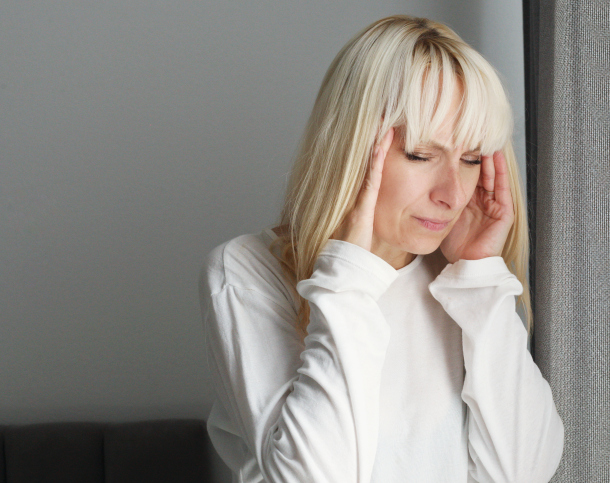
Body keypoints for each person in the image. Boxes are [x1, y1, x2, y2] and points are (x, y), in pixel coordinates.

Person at [199, 15, 564, 483]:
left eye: (471, 159)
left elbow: (522, 472)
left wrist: (480, 280)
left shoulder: (459, 282)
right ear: (351, 149)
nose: (453, 194)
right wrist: (350, 275)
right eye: (421, 155)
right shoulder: (245, 272)